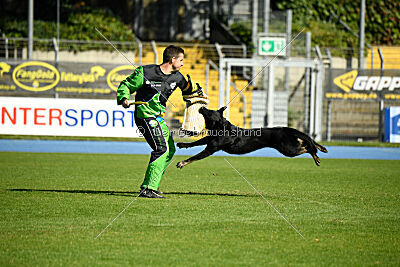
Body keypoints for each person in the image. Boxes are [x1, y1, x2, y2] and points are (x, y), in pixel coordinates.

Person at [116, 45, 196, 198]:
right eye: (181, 60)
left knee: (170, 149)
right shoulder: (145, 72)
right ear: (172, 60)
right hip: (144, 116)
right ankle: (148, 188)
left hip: (158, 118)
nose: (182, 63)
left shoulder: (178, 77)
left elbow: (188, 91)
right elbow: (126, 85)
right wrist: (124, 98)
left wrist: (196, 96)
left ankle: (151, 185)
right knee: (162, 148)